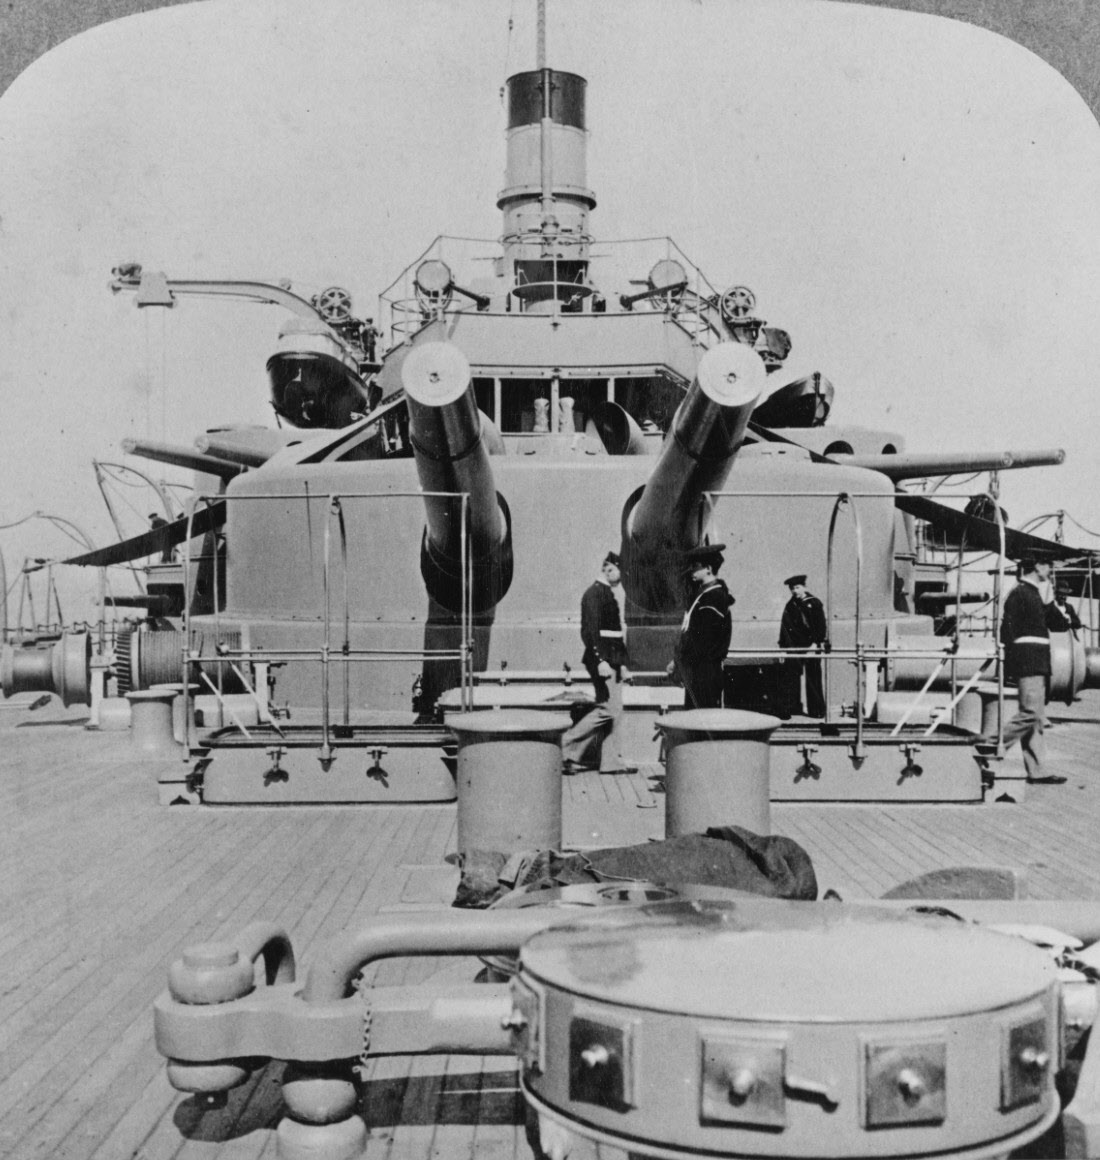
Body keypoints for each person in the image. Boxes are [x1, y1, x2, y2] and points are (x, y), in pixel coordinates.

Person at [989, 554, 1067, 784]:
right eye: (1048, 565)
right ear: (1037, 566)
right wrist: (1014, 665)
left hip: (1039, 662)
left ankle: (1037, 770)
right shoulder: (1019, 594)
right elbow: (1007, 632)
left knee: (1036, 718)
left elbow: (1060, 625)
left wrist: (1050, 602)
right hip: (1029, 662)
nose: (1050, 571)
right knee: (1031, 713)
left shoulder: (1035, 595)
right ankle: (989, 746)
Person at [561, 551, 633, 774]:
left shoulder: (606, 593)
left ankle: (611, 762)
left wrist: (622, 665)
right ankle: (565, 747)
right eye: (619, 573)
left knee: (615, 711)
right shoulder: (594, 594)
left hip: (612, 661)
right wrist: (600, 660)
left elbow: (614, 635)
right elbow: (590, 631)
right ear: (608, 569)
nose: (621, 579)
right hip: (601, 661)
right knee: (608, 709)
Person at [669, 544, 734, 709]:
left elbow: (701, 640)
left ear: (709, 569)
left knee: (702, 722)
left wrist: (680, 661)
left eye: (696, 566)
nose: (692, 570)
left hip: (704, 671)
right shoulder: (704, 595)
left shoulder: (713, 598)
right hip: (698, 670)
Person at [778, 574, 828, 718]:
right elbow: (785, 627)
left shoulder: (814, 603)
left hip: (811, 645)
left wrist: (816, 644)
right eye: (792, 588)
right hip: (794, 646)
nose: (795, 591)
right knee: (791, 677)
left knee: (813, 677)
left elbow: (820, 626)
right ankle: (790, 709)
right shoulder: (790, 605)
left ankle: (817, 710)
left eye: (797, 587)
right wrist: (783, 648)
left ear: (804, 587)